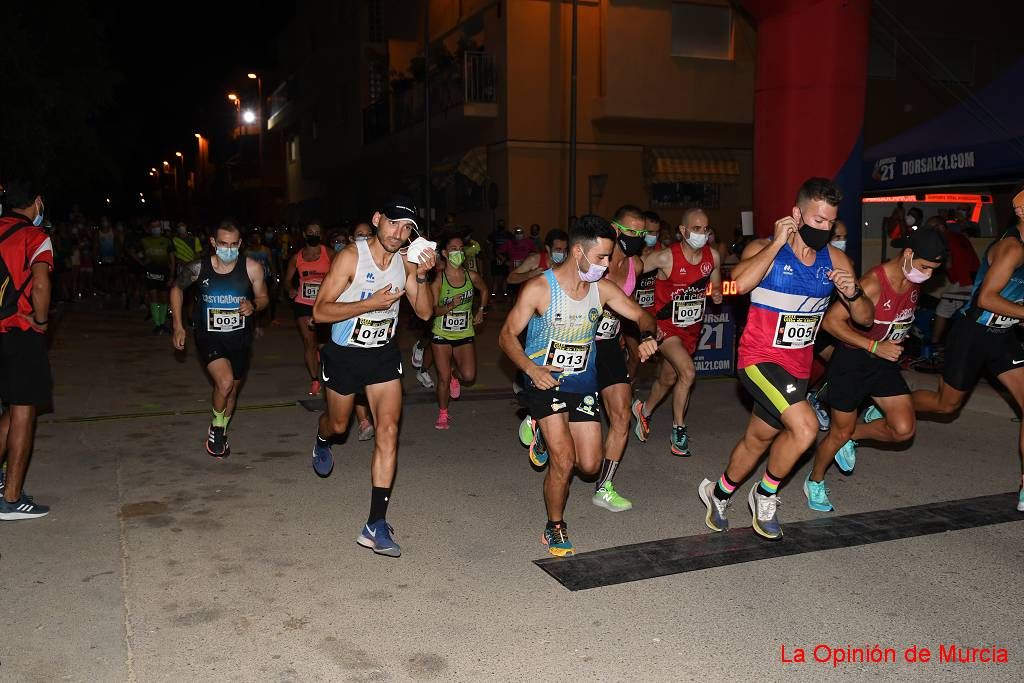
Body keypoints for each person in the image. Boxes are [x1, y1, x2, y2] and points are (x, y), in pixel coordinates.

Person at [698, 177, 872, 540]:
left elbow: (865, 319)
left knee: (758, 439)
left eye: (830, 223)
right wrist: (778, 242)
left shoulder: (836, 260)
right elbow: (738, 286)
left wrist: (853, 294)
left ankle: (718, 493)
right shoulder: (766, 248)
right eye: (817, 220)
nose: (825, 229)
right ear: (796, 215)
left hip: (797, 367)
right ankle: (765, 494)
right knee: (807, 427)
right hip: (758, 359)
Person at [499, 215, 658, 556]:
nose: (606, 264)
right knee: (564, 460)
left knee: (589, 464)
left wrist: (646, 336)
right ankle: (555, 526)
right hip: (546, 381)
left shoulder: (603, 290)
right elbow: (506, 335)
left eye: (609, 257)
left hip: (583, 382)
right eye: (600, 257)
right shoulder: (540, 288)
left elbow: (642, 315)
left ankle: (540, 432)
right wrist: (530, 368)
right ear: (577, 252)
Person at [310, 196, 436, 557]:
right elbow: (319, 312)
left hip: (382, 354)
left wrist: (423, 276)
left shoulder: (407, 263)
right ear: (378, 218)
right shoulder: (352, 256)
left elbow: (425, 312)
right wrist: (370, 303)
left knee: (389, 431)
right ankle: (321, 439)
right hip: (344, 355)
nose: (399, 233)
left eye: (408, 228)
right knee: (338, 425)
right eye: (394, 223)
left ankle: (374, 523)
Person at [804, 228, 947, 512]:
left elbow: (896, 318)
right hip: (853, 363)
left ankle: (854, 435)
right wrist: (874, 347)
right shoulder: (872, 282)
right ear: (908, 254)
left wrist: (896, 335)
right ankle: (815, 481)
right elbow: (831, 323)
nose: (928, 274)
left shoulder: (913, 279)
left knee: (903, 429)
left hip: (882, 362)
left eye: (933, 269)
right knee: (837, 433)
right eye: (924, 267)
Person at [912, 189, 1024, 512]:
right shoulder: (1013, 248)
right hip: (972, 334)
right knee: (945, 405)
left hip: (1001, 336)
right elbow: (987, 299)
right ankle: (891, 404)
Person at [171, 220, 269, 458]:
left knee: (232, 392)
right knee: (224, 383)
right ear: (213, 243)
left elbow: (264, 297)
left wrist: (253, 305)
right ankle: (216, 427)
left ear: (240, 244)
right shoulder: (199, 268)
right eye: (223, 244)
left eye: (234, 244)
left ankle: (220, 429)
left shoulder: (252, 267)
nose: (229, 248)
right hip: (208, 336)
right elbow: (176, 289)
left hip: (240, 339)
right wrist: (178, 326)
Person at [632, 208, 723, 455]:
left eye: (705, 229)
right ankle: (678, 430)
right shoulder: (666, 258)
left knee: (669, 378)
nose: (701, 234)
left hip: (692, 328)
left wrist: (716, 293)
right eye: (696, 229)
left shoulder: (712, 257)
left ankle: (644, 410)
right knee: (688, 371)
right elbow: (632, 271)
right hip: (665, 328)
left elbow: (716, 283)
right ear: (683, 231)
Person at [589, 206, 657, 513]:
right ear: (615, 229)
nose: (638, 238)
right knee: (563, 418)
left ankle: (604, 487)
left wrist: (644, 337)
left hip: (608, 347)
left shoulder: (637, 265)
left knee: (621, 417)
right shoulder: (593, 261)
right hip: (577, 345)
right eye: (632, 232)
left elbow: (633, 310)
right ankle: (537, 418)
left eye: (642, 233)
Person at [0, 179, 54, 520]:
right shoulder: (36, 237)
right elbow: (39, 284)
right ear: (36, 202)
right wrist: (42, 320)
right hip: (19, 334)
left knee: (8, 413)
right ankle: (11, 498)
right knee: (23, 411)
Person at [429, 231, 489, 429]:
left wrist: (480, 310)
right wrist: (449, 306)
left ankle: (456, 375)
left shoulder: (471, 276)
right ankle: (443, 414)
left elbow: (485, 290)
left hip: (464, 332)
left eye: (460, 249)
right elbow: (431, 310)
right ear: (445, 253)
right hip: (442, 333)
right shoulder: (439, 279)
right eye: (453, 249)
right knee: (442, 378)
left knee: (469, 376)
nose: (458, 253)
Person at [285, 222, 332, 395]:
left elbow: (341, 274)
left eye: (317, 232)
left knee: (325, 344)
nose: (314, 234)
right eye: (311, 232)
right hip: (303, 304)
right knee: (309, 343)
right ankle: (314, 380)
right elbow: (287, 280)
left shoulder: (330, 254)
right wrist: (290, 288)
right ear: (305, 235)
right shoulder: (296, 257)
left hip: (324, 304)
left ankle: (325, 363)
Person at [929, 215, 980, 354]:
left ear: (940, 227)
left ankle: (934, 345)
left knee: (942, 309)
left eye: (932, 228)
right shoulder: (958, 236)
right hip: (976, 278)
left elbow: (948, 263)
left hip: (965, 282)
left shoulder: (944, 240)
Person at [622, 211, 663, 382]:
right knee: (635, 355)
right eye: (649, 232)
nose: (652, 236)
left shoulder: (663, 254)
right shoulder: (630, 255)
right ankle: (627, 389)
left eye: (656, 232)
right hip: (629, 314)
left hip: (652, 314)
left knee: (654, 357)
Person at [140, 220, 176, 334]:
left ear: (161, 229)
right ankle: (158, 324)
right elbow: (137, 254)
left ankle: (163, 323)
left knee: (164, 299)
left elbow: (173, 260)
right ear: (150, 229)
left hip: (164, 273)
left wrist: (171, 276)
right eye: (153, 227)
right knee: (154, 297)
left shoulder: (167, 241)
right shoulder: (144, 241)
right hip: (150, 273)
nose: (155, 229)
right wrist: (143, 262)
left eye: (157, 227)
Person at [499, 225, 538, 299]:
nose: (519, 235)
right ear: (514, 234)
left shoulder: (528, 242)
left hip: (525, 270)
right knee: (512, 291)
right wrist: (505, 261)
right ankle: (511, 305)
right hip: (513, 270)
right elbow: (498, 252)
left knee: (524, 291)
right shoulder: (509, 243)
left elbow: (535, 253)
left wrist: (530, 261)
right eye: (517, 233)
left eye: (520, 233)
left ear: (523, 234)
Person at [487, 219, 511, 299]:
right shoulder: (493, 234)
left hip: (506, 259)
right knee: (495, 277)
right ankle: (493, 294)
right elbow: (487, 245)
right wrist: (490, 256)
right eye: (500, 224)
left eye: (502, 224)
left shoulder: (509, 235)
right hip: (495, 259)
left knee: (505, 277)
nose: (501, 225)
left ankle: (505, 293)